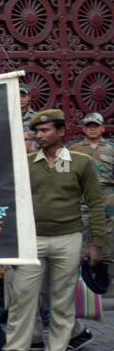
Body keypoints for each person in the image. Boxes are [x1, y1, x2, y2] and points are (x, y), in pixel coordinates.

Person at [0, 110, 105, 351]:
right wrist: (11, 242)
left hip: (68, 239)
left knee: (61, 299)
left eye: (45, 130)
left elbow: (94, 203)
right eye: (37, 131)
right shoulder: (26, 163)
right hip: (32, 241)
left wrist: (96, 243)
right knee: (23, 296)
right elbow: (11, 204)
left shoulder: (80, 163)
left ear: (61, 132)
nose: (39, 135)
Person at [67, 112, 114, 267]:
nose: (92, 129)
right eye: (89, 126)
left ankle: (106, 263)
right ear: (84, 129)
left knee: (108, 228)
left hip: (106, 193)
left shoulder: (111, 147)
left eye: (96, 126)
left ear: (103, 128)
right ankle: (83, 263)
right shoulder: (73, 148)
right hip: (82, 193)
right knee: (82, 226)